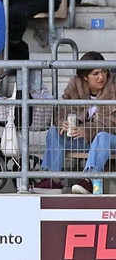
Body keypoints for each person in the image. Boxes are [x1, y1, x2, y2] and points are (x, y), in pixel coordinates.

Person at [42, 53, 116, 192]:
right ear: (85, 77)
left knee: (102, 137)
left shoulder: (114, 86)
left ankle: (89, 179)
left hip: (110, 139)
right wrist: (63, 122)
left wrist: (87, 130)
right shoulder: (75, 86)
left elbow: (113, 123)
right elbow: (63, 110)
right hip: (87, 140)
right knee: (54, 131)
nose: (101, 77)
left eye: (104, 71)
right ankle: (52, 179)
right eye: (95, 73)